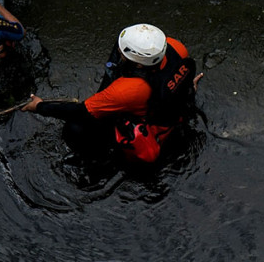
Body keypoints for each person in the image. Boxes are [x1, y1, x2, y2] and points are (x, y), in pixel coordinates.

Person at [22, 23, 202, 164]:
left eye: (123, 53)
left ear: (139, 65)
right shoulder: (175, 46)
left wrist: (39, 106)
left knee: (74, 129)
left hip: (151, 120)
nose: (118, 52)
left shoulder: (127, 90)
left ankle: (99, 158)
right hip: (172, 106)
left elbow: (82, 112)